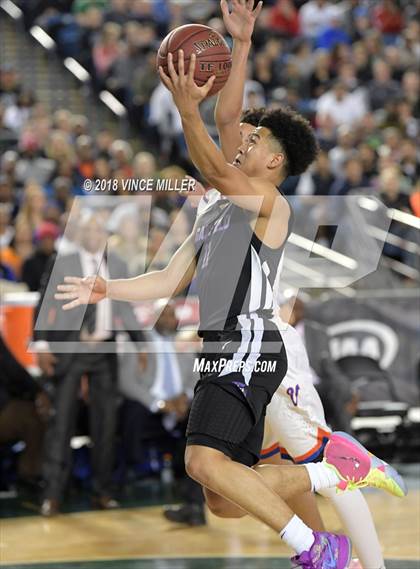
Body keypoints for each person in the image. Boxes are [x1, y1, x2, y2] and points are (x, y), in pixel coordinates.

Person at [54, 2, 406, 567]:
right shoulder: (216, 211)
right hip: (223, 349)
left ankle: (318, 547)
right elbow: (168, 278)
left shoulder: (269, 203)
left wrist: (184, 106)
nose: (240, 141)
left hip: (249, 343)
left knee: (201, 463)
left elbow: (217, 154)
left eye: (254, 141)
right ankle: (325, 470)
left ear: (274, 161)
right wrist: (108, 290)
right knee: (222, 497)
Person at [34, 210, 146, 517]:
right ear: (81, 233)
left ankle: (102, 492)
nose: (95, 234)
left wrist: (142, 345)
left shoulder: (118, 265)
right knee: (62, 423)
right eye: (90, 229)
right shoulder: (64, 263)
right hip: (71, 349)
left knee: (106, 424)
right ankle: (53, 494)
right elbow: (45, 302)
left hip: (105, 352)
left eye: (100, 230)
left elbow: (127, 312)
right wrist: (42, 343)